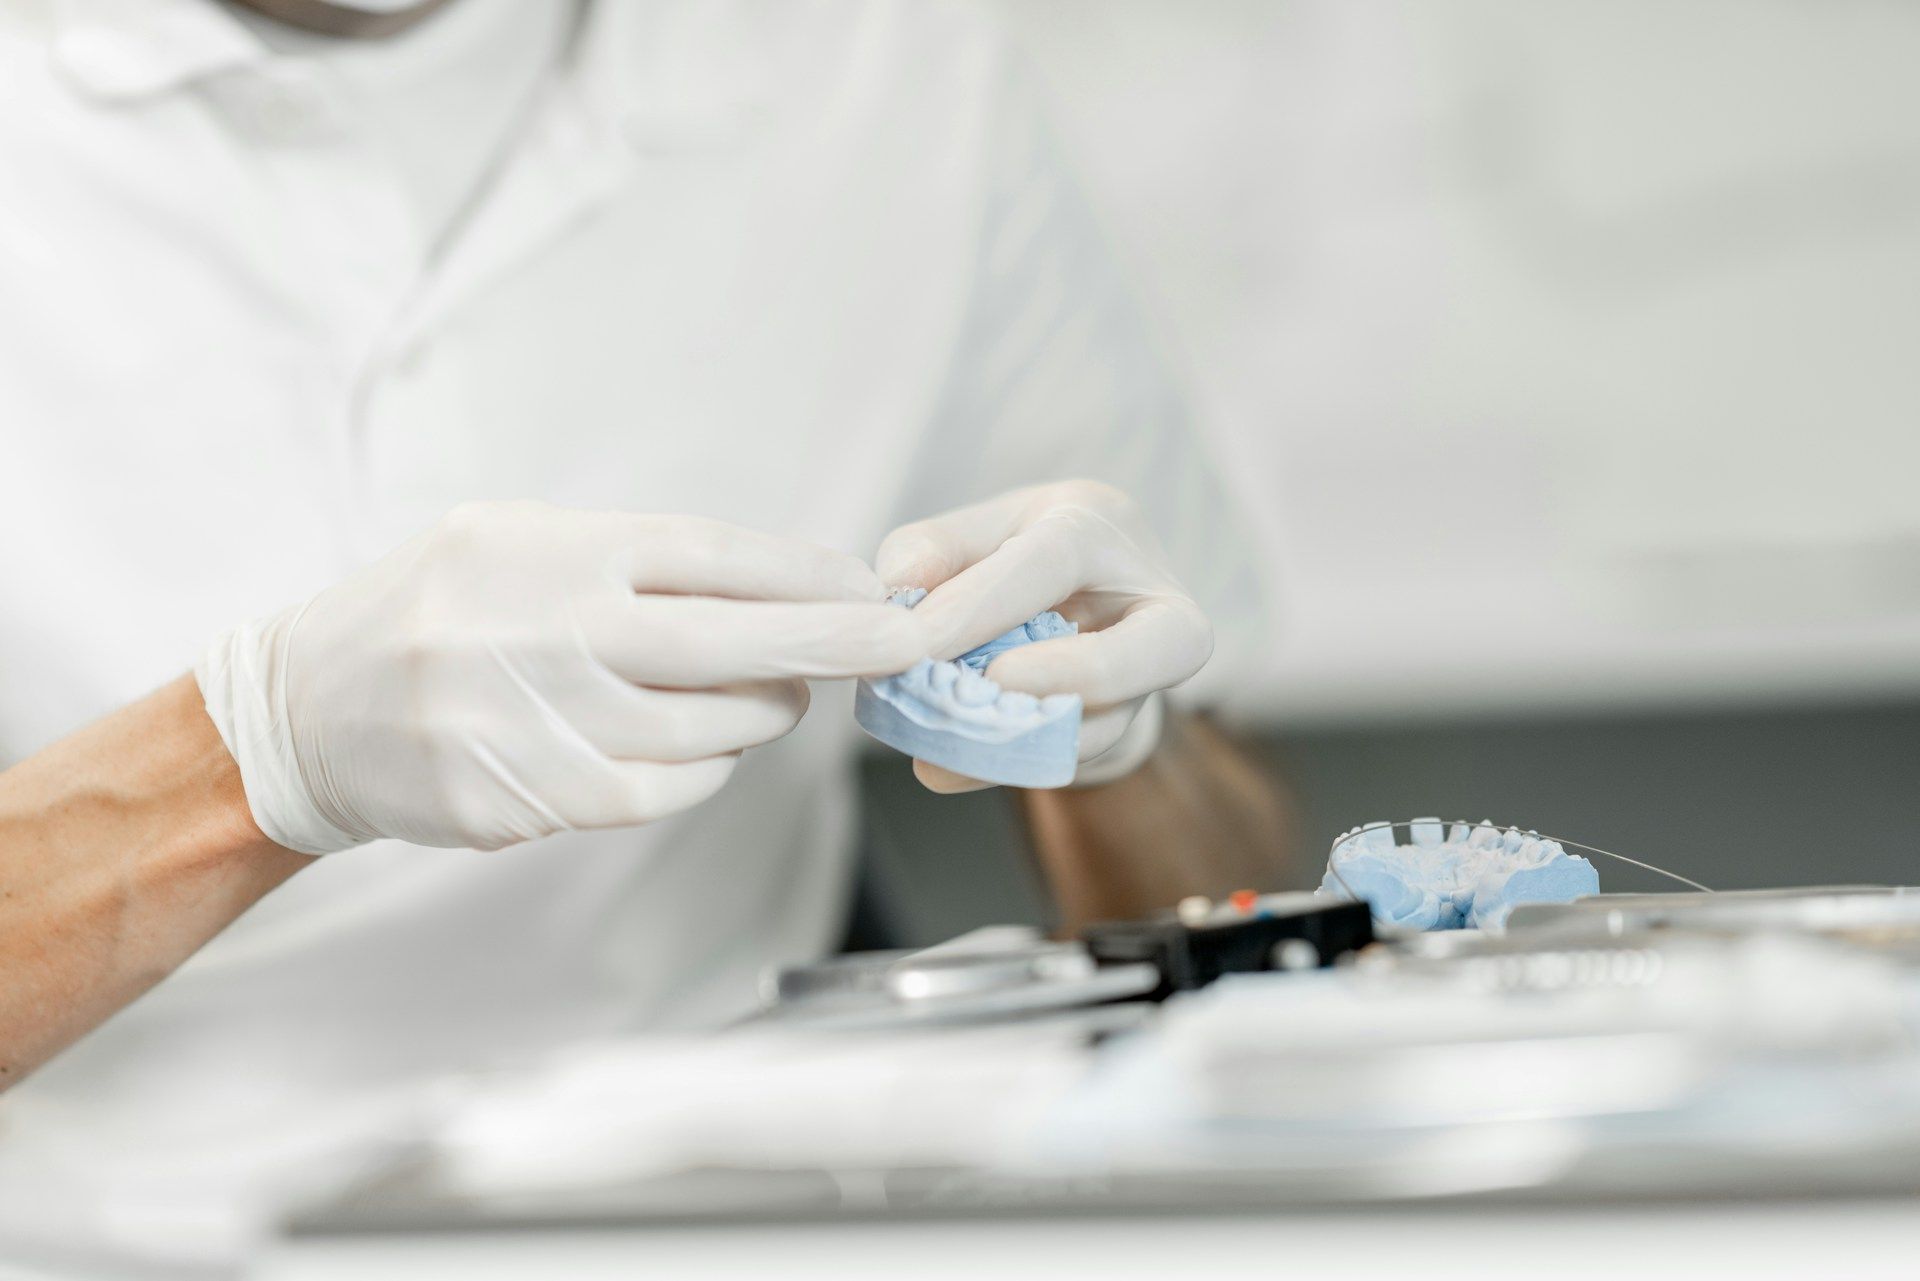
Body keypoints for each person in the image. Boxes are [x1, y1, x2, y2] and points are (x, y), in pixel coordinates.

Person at [0, 0, 1266, 1264]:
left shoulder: (889, 69)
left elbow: (1216, 907)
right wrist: (255, 756)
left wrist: (1115, 742)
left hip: (737, 1214)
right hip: (102, 1241)